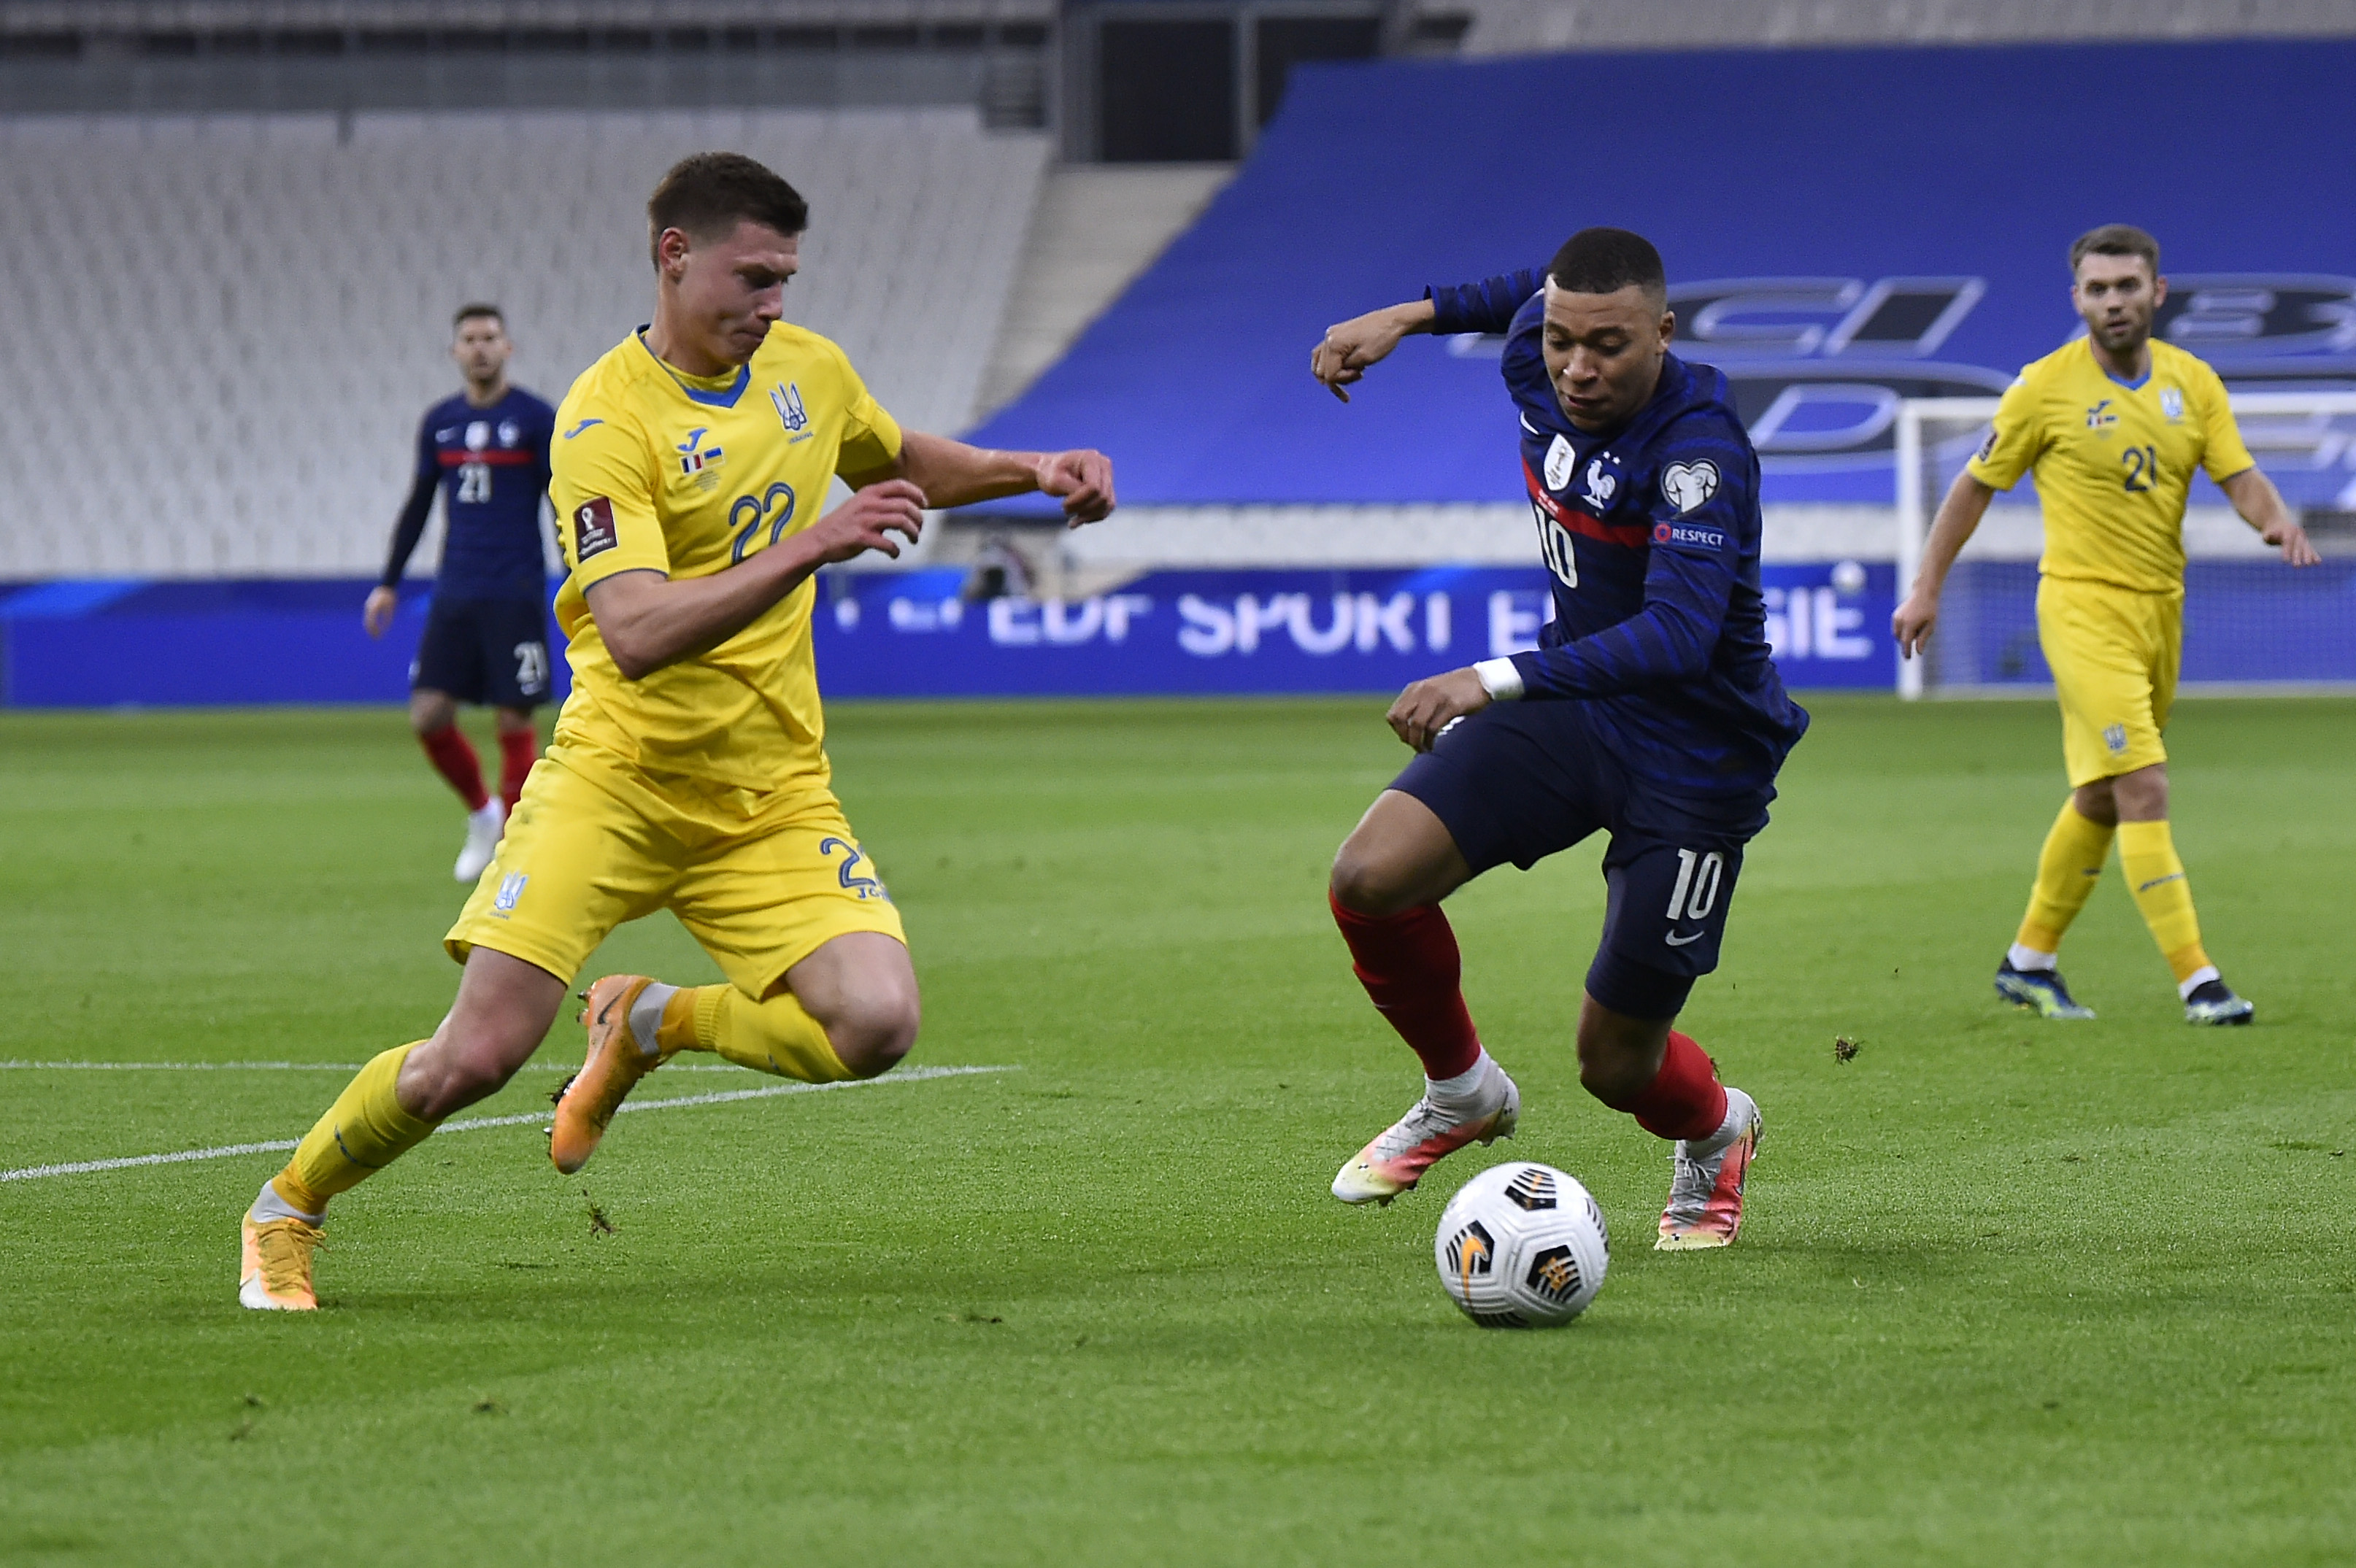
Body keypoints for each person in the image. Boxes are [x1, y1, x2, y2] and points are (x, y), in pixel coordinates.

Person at [239, 152, 1115, 1310]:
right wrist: (811, 543)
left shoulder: (807, 369)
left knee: (878, 1020)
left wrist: (1030, 468)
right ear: (675, 255)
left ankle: (654, 1019)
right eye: (753, 278)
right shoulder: (605, 420)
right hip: (619, 779)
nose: (774, 305)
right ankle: (286, 1209)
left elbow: (895, 458)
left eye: (786, 280)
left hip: (768, 789)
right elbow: (640, 629)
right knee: (480, 1056)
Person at [1309, 228, 1807, 1250]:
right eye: (1563, 341)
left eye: (1610, 346)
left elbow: (1676, 637)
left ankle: (1717, 1131)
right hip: (1574, 711)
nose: (1577, 368)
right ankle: (1462, 1093)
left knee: (1614, 1063)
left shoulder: (1700, 451)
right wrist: (1405, 315)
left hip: (1694, 757)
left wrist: (1483, 680)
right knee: (1368, 877)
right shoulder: (1537, 346)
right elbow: (1520, 291)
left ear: (1663, 335)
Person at [1893, 224, 2318, 1025]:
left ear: (2157, 292)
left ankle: (2028, 961)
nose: (2113, 302)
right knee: (2146, 783)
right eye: (2098, 289)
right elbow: (1972, 489)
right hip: (2082, 608)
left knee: (2101, 795)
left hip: (2161, 609)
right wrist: (1926, 588)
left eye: (2128, 286)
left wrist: (2278, 522)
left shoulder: (2193, 383)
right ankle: (2201, 982)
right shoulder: (2043, 388)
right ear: (2077, 298)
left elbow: (2240, 473)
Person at [363, 305, 559, 882]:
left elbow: (559, 501)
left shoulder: (534, 419)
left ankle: (512, 848)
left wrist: (580, 571)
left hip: (515, 589)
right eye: (469, 339)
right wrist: (389, 582)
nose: (479, 348)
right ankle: (482, 813)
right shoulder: (440, 423)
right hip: (456, 590)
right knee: (428, 714)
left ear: (508, 348)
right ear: (455, 352)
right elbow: (419, 504)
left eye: (490, 338)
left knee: (513, 718)